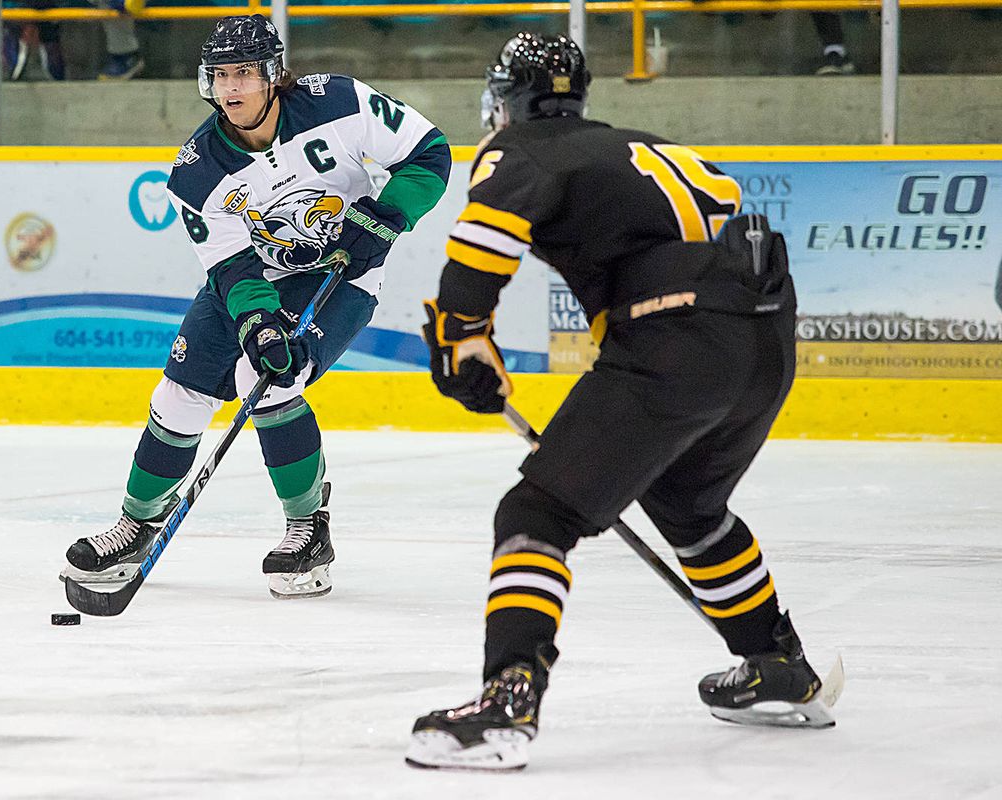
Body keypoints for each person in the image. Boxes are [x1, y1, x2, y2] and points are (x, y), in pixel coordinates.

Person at [406, 32, 834, 771]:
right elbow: (722, 204)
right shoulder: (651, 147)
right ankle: (778, 665)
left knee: (537, 513)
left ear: (509, 99)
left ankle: (509, 699)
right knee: (690, 506)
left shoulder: (521, 149)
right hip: (765, 339)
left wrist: (462, 335)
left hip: (675, 339)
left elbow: (485, 236)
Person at [60, 15, 450, 599]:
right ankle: (139, 521)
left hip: (342, 273)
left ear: (272, 73)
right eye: (220, 77)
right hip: (253, 278)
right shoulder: (196, 173)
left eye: (243, 73)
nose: (231, 89)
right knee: (177, 395)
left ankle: (307, 526)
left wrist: (383, 220)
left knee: (268, 379)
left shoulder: (339, 102)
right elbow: (234, 267)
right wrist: (259, 323)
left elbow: (429, 152)